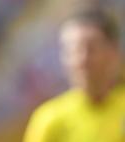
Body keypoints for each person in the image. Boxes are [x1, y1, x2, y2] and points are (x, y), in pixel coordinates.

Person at [23, 8, 125, 142]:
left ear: (113, 52)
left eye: (91, 49)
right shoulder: (49, 121)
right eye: (73, 50)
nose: (82, 60)